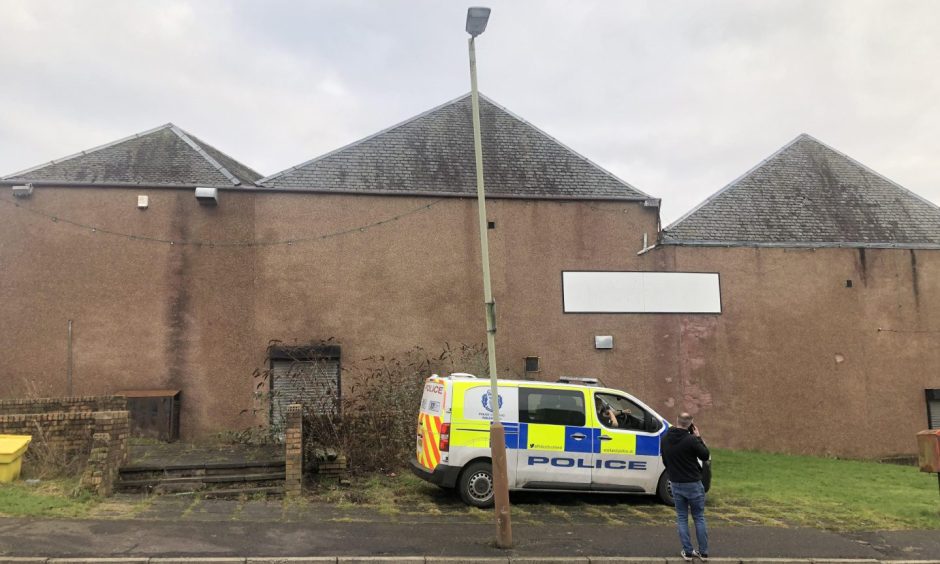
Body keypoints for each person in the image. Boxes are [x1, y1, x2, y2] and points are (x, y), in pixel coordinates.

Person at [661, 412, 710, 561]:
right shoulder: (691, 440)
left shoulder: (665, 439)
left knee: (682, 517)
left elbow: (665, 460)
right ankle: (703, 552)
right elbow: (705, 455)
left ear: (677, 421)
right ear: (691, 424)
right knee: (699, 517)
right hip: (693, 484)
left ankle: (688, 552)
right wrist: (698, 437)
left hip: (675, 483)